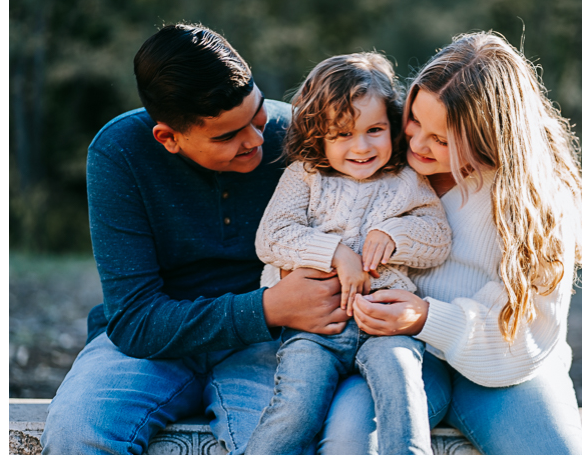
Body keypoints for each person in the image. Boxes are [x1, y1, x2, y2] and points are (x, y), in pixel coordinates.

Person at [41, 24, 350, 455]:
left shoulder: (302, 134)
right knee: (78, 431)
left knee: (271, 443)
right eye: (227, 136)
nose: (257, 140)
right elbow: (135, 321)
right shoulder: (119, 153)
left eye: (257, 114)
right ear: (168, 137)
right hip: (157, 344)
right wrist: (270, 307)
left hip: (268, 344)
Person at [319, 32, 582, 456]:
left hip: (508, 372)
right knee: (350, 440)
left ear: (493, 137)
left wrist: (426, 317)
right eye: (414, 120)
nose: (416, 143)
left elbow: (528, 331)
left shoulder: (538, 199)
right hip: (393, 354)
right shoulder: (377, 155)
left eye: (444, 139)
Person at [245, 53, 452, 455]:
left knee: (403, 388)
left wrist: (394, 233)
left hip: (385, 322)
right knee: (295, 410)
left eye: (374, 129)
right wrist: (337, 254)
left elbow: (438, 238)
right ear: (318, 135)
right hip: (316, 328)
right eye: (341, 134)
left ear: (392, 125)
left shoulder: (408, 180)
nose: (361, 147)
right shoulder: (305, 176)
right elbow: (271, 237)